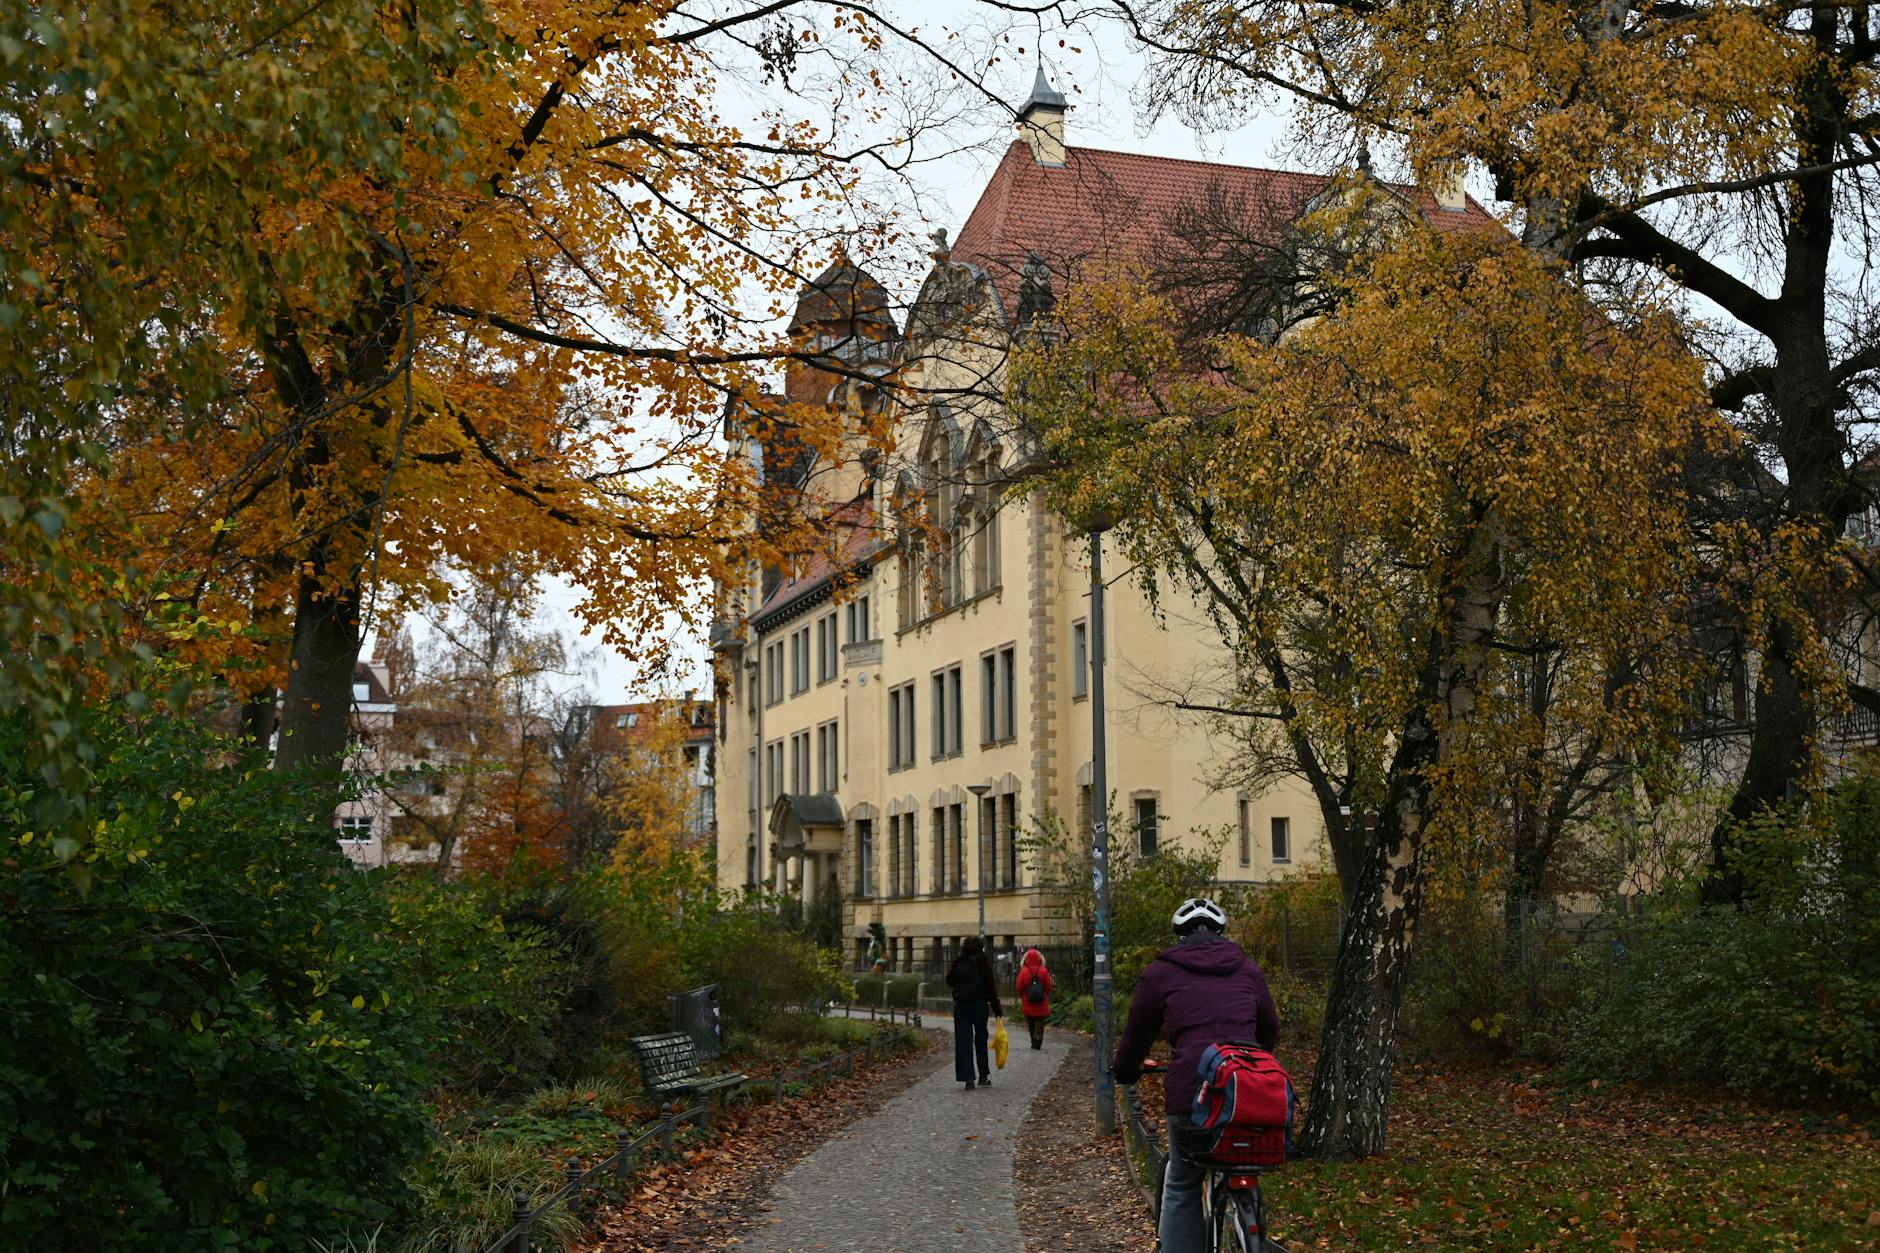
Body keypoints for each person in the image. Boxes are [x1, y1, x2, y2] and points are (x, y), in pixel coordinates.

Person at [1112, 897, 1279, 1253]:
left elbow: (1137, 1035)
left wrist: (1126, 1071)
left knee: (1183, 1182)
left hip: (1192, 1091)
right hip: (1247, 1091)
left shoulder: (1160, 972)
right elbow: (1269, 1031)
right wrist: (1252, 1063)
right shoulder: (1249, 970)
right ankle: (1248, 1221)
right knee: (1244, 1158)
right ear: (1221, 933)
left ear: (1180, 936)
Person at [945, 936, 1002, 1091]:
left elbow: (949, 980)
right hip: (979, 1005)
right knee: (981, 1038)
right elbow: (991, 986)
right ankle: (983, 1076)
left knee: (963, 1041)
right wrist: (997, 1009)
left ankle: (968, 1078)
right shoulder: (982, 961)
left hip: (961, 1005)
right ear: (980, 947)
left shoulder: (959, 961)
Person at [1015, 947, 1054, 1050]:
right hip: (1041, 1001)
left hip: (1028, 1001)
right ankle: (1038, 1039)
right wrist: (1046, 995)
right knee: (1040, 1023)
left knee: (1031, 1023)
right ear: (1039, 958)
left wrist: (1022, 996)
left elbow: (1019, 986)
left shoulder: (1024, 971)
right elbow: (1049, 986)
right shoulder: (1044, 970)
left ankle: (1033, 1040)